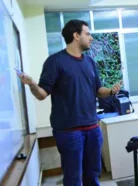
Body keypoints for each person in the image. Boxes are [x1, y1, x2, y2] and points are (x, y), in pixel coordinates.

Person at [18, 20, 121, 185]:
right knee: (73, 178)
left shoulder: (89, 62)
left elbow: (98, 90)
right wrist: (32, 84)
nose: (91, 38)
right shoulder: (55, 61)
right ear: (76, 35)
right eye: (87, 34)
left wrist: (111, 91)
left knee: (93, 175)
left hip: (93, 128)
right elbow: (42, 94)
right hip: (68, 131)